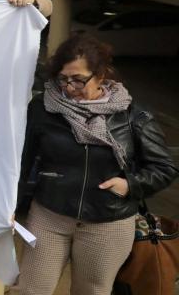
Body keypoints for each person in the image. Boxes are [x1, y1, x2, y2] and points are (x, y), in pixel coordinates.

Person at [13, 33, 178, 295]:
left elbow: (164, 168)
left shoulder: (133, 115)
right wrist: (10, 203)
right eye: (63, 79)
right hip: (49, 216)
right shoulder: (43, 109)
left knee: (92, 291)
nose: (69, 87)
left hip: (107, 223)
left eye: (79, 80)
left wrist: (130, 184)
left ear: (101, 75)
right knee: (30, 289)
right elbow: (20, 160)